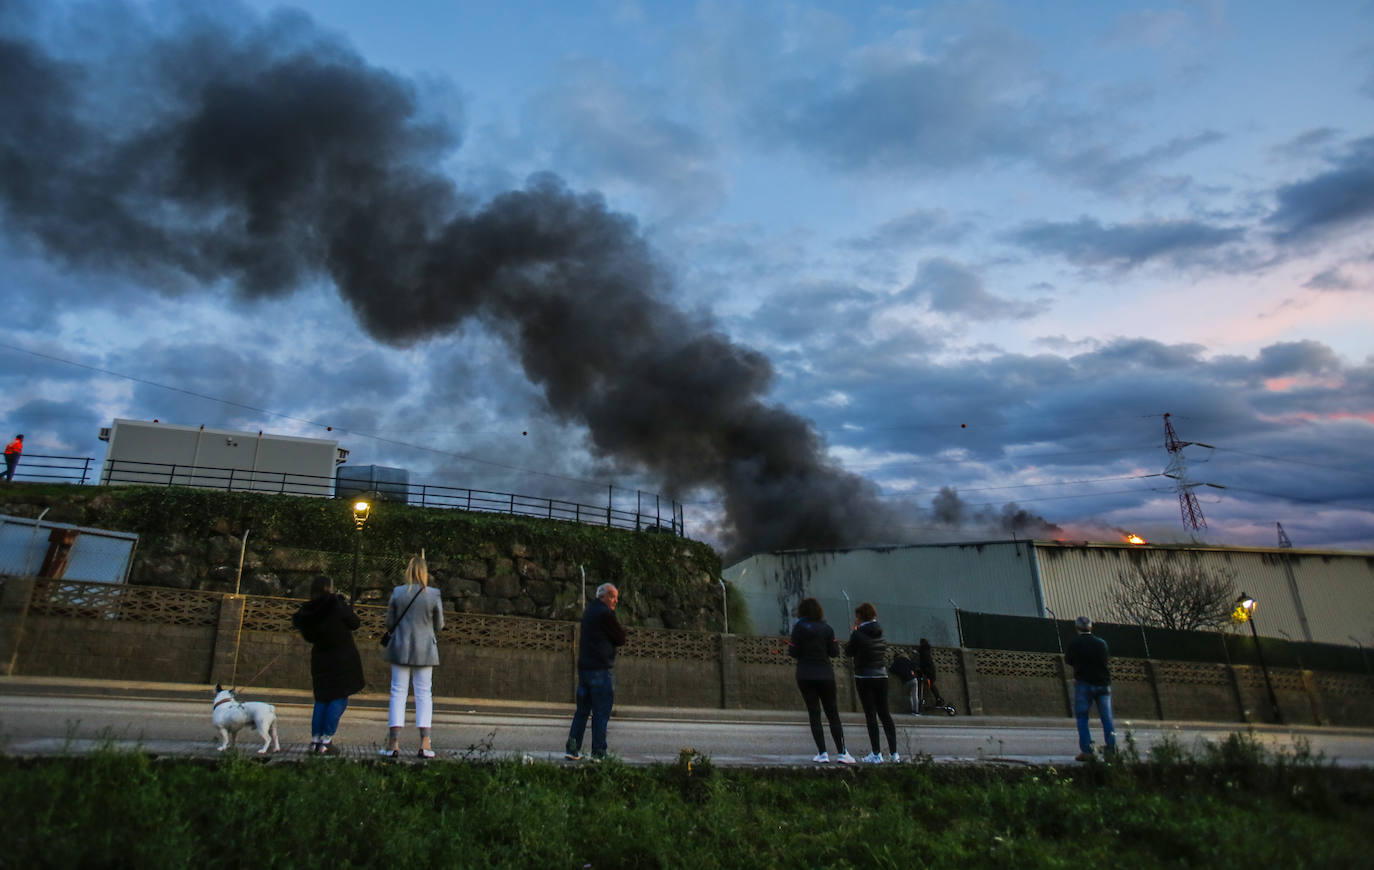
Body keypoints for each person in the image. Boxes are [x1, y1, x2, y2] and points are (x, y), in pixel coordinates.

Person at [291, 574, 365, 754]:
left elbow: (307, 634)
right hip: (342, 658)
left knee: (322, 699)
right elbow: (355, 623)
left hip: (320, 658)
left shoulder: (307, 611)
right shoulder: (336, 604)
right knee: (338, 698)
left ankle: (315, 741)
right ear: (329, 588)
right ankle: (326, 741)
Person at [380, 554, 444, 759]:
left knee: (397, 692)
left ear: (408, 572)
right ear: (425, 572)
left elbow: (389, 623)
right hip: (425, 649)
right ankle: (425, 744)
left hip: (400, 647)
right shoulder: (433, 594)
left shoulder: (398, 593)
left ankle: (393, 743)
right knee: (424, 693)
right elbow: (439, 624)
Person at [565, 582, 627, 761]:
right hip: (600, 670)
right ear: (605, 596)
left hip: (585, 669)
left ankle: (572, 749)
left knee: (582, 712)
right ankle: (598, 752)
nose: (615, 601)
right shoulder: (605, 614)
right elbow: (620, 637)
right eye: (613, 597)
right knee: (601, 713)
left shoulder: (589, 611)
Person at [790, 597, 855, 764]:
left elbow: (793, 651)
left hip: (805, 674)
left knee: (814, 713)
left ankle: (822, 753)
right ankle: (842, 752)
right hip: (825, 674)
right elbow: (834, 652)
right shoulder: (827, 629)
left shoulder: (798, 628)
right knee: (832, 713)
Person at [845, 602, 899, 763]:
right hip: (882, 677)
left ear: (860, 616)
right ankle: (894, 754)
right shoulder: (880, 633)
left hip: (864, 677)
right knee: (885, 714)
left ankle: (876, 754)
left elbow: (848, 651)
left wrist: (854, 630)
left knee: (871, 715)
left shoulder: (858, 634)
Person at [1064, 615, 1116, 762]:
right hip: (1103, 684)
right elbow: (1106, 659)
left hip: (1084, 683)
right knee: (1107, 718)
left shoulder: (1075, 644)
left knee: (1082, 717)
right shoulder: (1101, 643)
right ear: (1091, 627)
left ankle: (1087, 751)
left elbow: (1069, 660)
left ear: (1077, 628)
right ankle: (1111, 750)